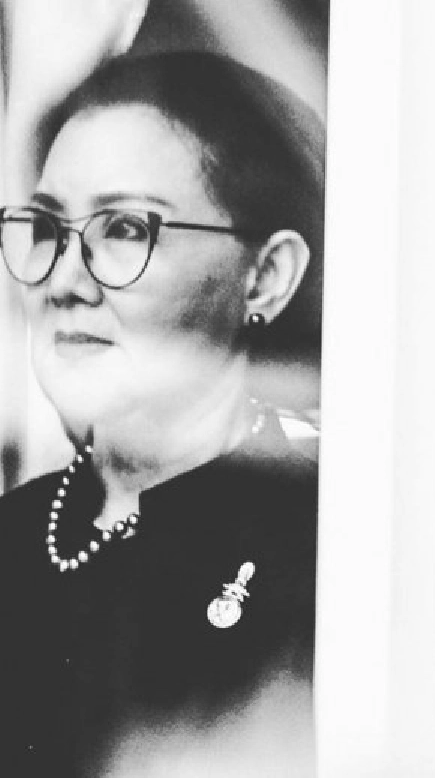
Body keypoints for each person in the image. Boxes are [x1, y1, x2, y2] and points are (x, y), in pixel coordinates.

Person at [0, 51, 324, 778]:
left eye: (123, 229)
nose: (64, 279)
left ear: (266, 277)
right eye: (48, 228)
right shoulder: (12, 537)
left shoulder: (329, 549)